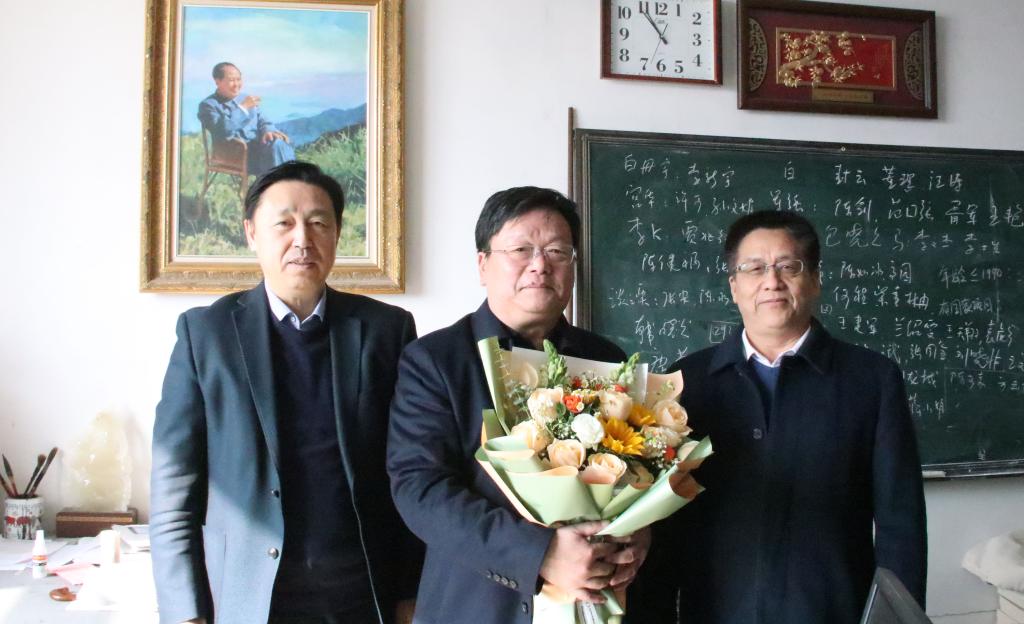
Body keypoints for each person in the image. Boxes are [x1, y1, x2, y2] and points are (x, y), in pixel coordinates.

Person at [151, 161, 420, 624]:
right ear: (251, 233)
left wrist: (411, 594)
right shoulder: (206, 336)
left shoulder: (386, 331)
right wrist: (185, 613)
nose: (303, 239)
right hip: (248, 600)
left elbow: (412, 472)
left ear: (337, 234)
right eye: (284, 223)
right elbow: (173, 488)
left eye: (319, 223)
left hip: (362, 595)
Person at [629, 210, 928, 624]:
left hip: (832, 611)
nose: (772, 281)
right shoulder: (685, 382)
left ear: (815, 280)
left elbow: (901, 525)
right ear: (734, 286)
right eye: (754, 269)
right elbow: (663, 525)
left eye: (789, 266)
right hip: (714, 612)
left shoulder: (872, 380)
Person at [387, 186, 651, 623]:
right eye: (521, 249)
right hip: (476, 606)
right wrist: (540, 554)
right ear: (482, 264)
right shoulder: (434, 360)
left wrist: (638, 532)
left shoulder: (607, 359)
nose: (540, 265)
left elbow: (637, 474)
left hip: (595, 602)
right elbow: (421, 489)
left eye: (557, 251)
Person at [198, 62, 296, 178]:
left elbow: (263, 120)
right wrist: (243, 108)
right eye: (231, 80)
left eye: (239, 79)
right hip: (234, 155)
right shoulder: (208, 105)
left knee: (278, 143)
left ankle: (285, 184)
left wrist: (268, 131)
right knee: (277, 149)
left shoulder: (245, 98)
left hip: (257, 149)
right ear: (217, 81)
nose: (236, 85)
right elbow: (223, 131)